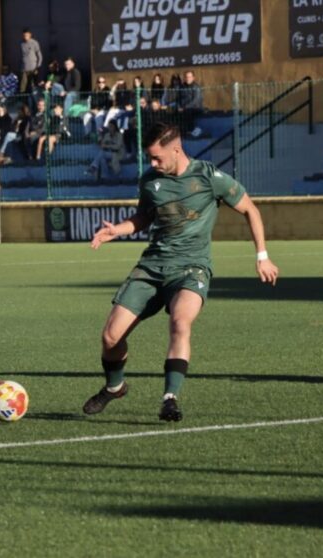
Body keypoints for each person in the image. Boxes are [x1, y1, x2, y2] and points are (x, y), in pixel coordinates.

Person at [82, 122, 279, 422]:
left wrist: (262, 256)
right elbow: (143, 217)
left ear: (176, 149)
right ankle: (114, 387)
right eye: (149, 158)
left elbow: (250, 209)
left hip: (191, 268)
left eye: (157, 157)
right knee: (110, 337)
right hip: (152, 267)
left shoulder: (209, 177)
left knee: (180, 322)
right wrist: (117, 230)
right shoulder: (150, 180)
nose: (152, 163)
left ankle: (169, 399)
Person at [179, 70, 204, 137]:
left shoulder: (196, 87)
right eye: (187, 77)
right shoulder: (182, 87)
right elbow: (179, 98)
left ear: (193, 78)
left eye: (189, 77)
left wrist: (185, 107)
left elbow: (196, 100)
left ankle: (190, 131)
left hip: (196, 108)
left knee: (188, 112)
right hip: (184, 108)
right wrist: (179, 106)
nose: (188, 78)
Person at [19, 28, 43, 96]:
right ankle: (23, 100)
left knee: (32, 86)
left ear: (30, 35)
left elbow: (39, 55)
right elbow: (21, 56)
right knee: (23, 87)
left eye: (27, 35)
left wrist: (38, 66)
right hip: (24, 69)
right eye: (24, 35)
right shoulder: (21, 44)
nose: (25, 37)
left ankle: (33, 99)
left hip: (33, 69)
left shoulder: (34, 43)